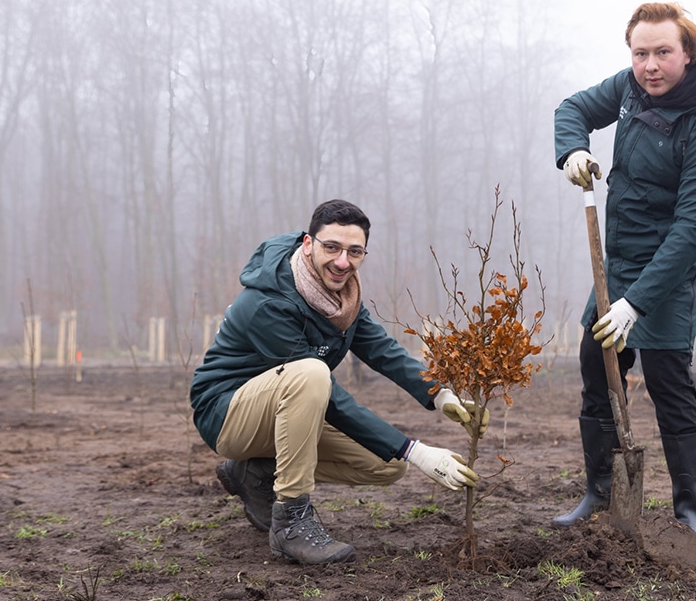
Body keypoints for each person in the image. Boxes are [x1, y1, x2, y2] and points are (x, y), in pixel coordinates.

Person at [189, 200, 487, 565]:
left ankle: (255, 471)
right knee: (312, 374)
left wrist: (440, 393)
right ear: (308, 244)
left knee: (388, 464)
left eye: (354, 251)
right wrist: (416, 450)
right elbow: (325, 395)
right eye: (331, 247)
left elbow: (381, 349)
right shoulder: (268, 302)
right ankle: (291, 523)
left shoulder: (342, 297)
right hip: (226, 414)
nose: (343, 262)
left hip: (285, 410)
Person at [552, 2, 696, 537]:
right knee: (597, 365)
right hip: (620, 259)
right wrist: (573, 150)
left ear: (689, 53)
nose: (650, 66)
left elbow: (694, 228)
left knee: (666, 378)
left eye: (662, 53)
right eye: (640, 54)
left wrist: (635, 304)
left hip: (676, 266)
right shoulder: (631, 88)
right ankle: (600, 493)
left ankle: (690, 512)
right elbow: (572, 107)